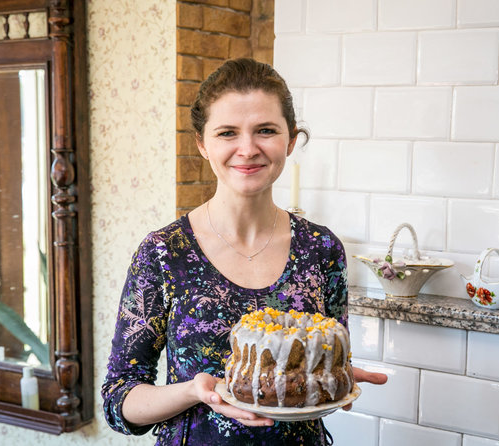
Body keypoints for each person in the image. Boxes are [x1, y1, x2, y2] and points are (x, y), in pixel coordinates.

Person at [102, 58, 387, 445]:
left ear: (290, 141)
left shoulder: (322, 249)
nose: (248, 149)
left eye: (265, 130)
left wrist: (334, 381)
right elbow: (119, 400)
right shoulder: (164, 253)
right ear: (202, 144)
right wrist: (193, 390)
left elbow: (325, 365)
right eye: (227, 133)